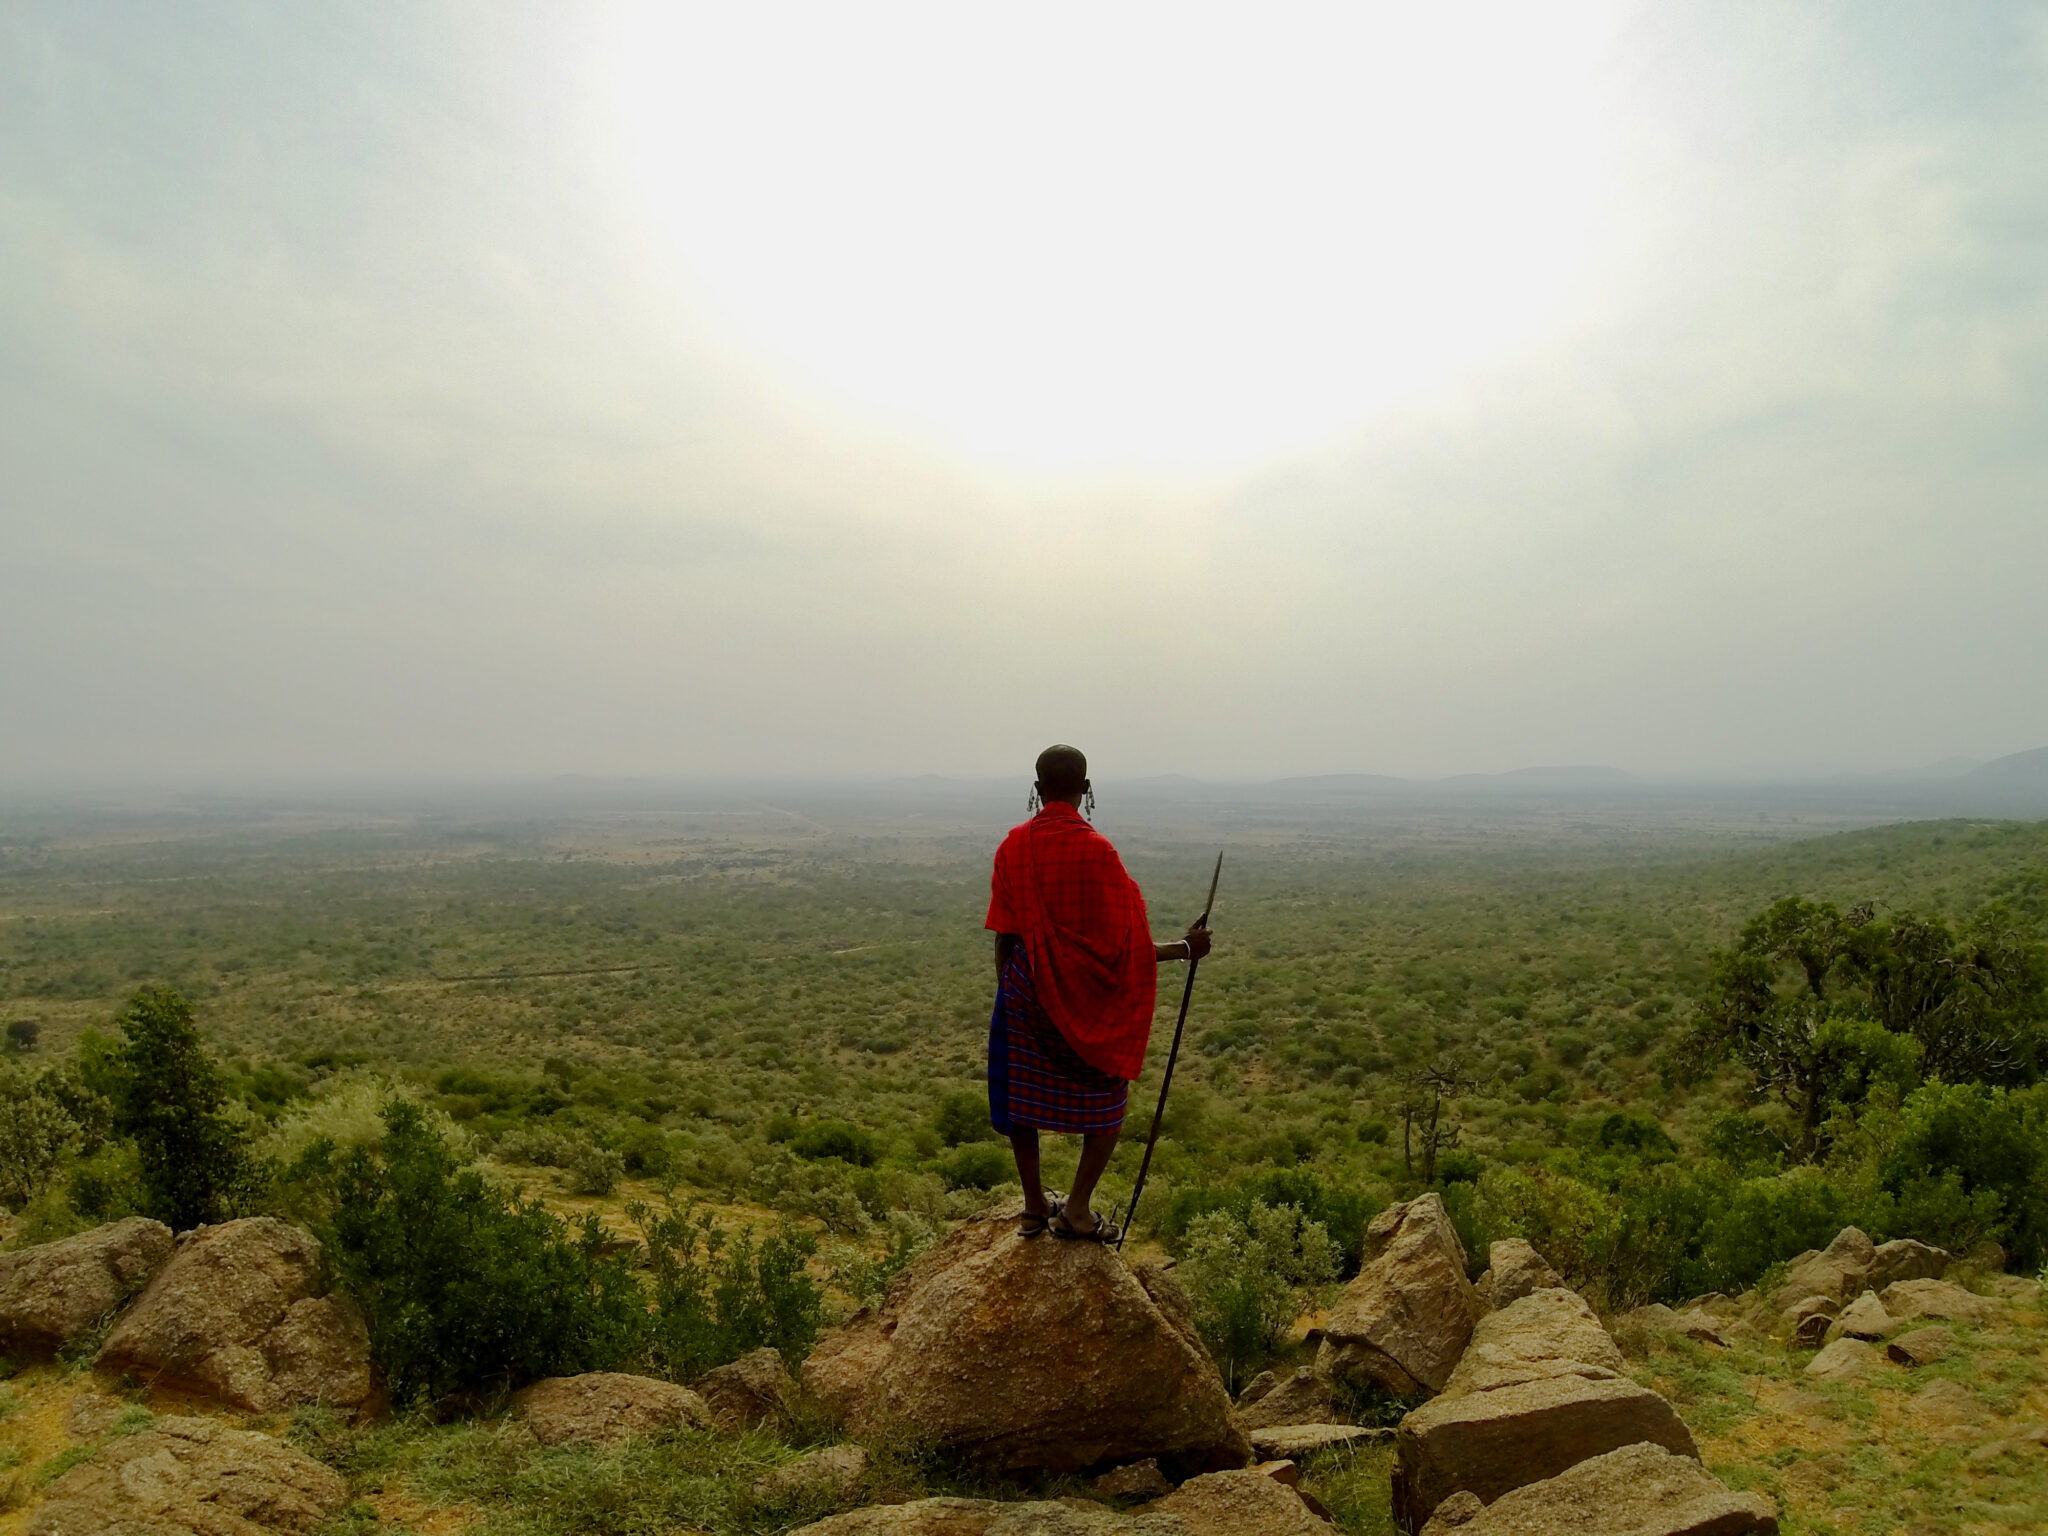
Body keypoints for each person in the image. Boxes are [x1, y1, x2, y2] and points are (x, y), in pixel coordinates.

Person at [984, 744, 1212, 1241]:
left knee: (1019, 1097)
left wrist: (1012, 997)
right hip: (1086, 999)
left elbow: (1004, 937)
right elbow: (1125, 946)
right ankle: (1077, 1210)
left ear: (1037, 789)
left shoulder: (1013, 846)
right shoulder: (1099, 852)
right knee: (1107, 1098)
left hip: (1023, 994)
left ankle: (1033, 1206)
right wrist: (1186, 948)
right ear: (1086, 789)